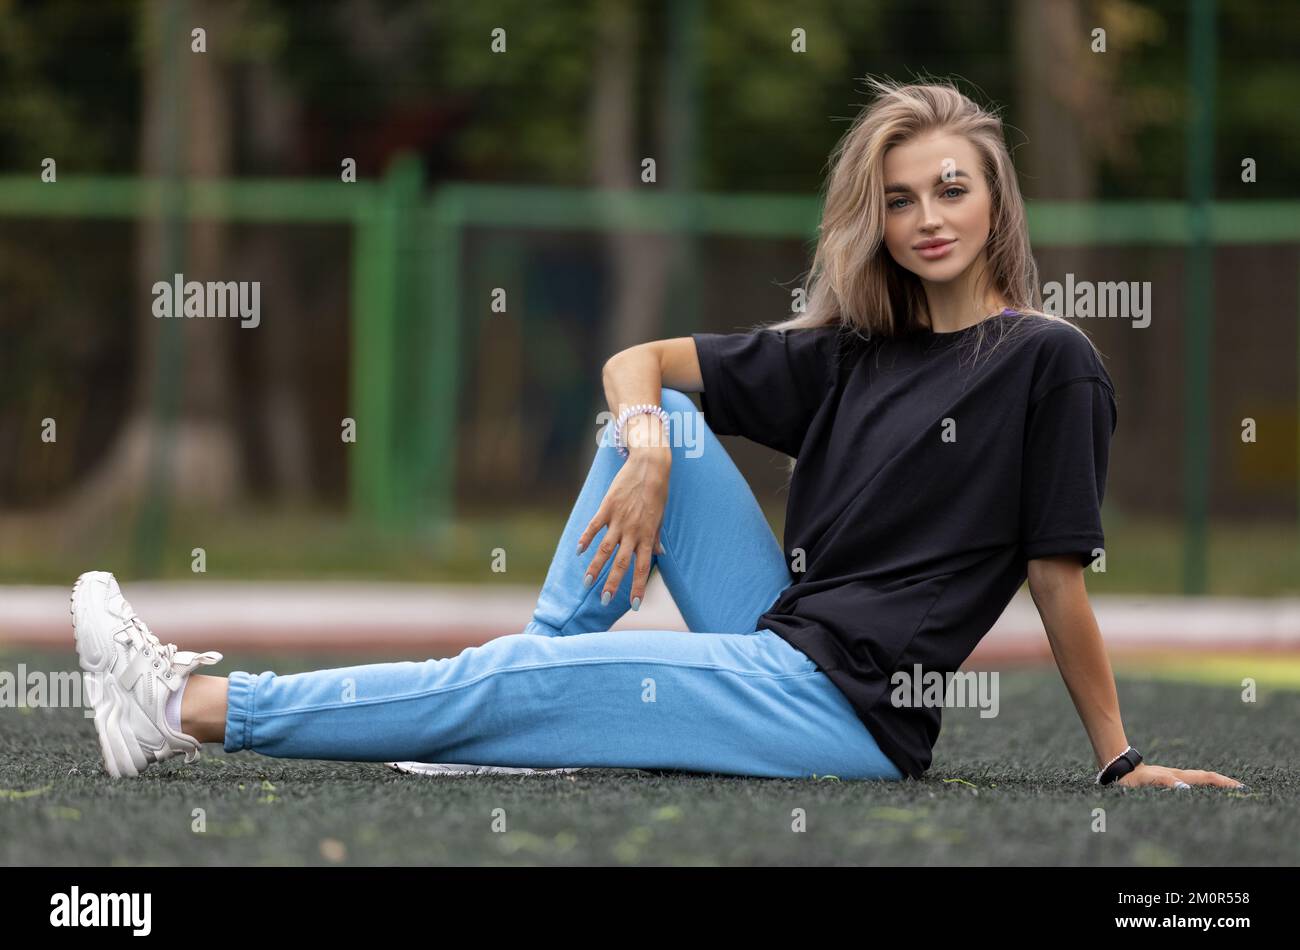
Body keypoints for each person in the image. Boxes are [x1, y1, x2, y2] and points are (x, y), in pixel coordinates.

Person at [71, 77, 1245, 792]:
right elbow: (641, 367)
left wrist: (1118, 756)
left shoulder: (1049, 361)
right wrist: (640, 443)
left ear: (995, 201)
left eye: (949, 189)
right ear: (873, 218)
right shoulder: (852, 347)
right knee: (670, 426)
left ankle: (184, 708)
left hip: (842, 705)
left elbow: (1053, 576)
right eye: (898, 198)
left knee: (508, 678)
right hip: (781, 635)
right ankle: (496, 715)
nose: (924, 217)